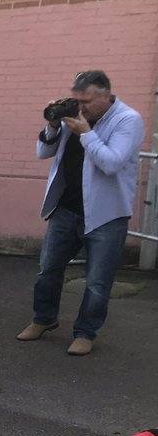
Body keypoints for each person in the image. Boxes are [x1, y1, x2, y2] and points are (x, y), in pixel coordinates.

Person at [18, 70, 143, 356]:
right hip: (67, 208)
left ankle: (86, 332)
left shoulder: (128, 120)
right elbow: (43, 153)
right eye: (76, 100)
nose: (80, 107)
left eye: (86, 101)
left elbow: (111, 163)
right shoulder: (74, 115)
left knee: (98, 281)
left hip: (106, 215)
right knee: (48, 269)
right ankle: (43, 319)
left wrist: (85, 133)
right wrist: (52, 126)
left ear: (105, 95)